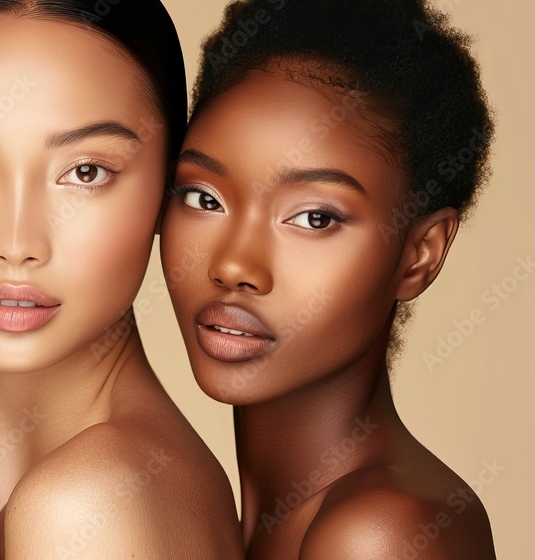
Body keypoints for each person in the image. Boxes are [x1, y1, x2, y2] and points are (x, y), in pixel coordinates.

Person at [0, 1, 245, 557]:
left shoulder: (89, 503)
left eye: (85, 172)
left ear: (167, 191)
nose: (16, 244)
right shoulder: (23, 512)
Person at [160, 0, 497, 557]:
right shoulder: (220, 513)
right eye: (204, 197)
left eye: (315, 218)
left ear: (420, 254)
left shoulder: (381, 534)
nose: (233, 266)